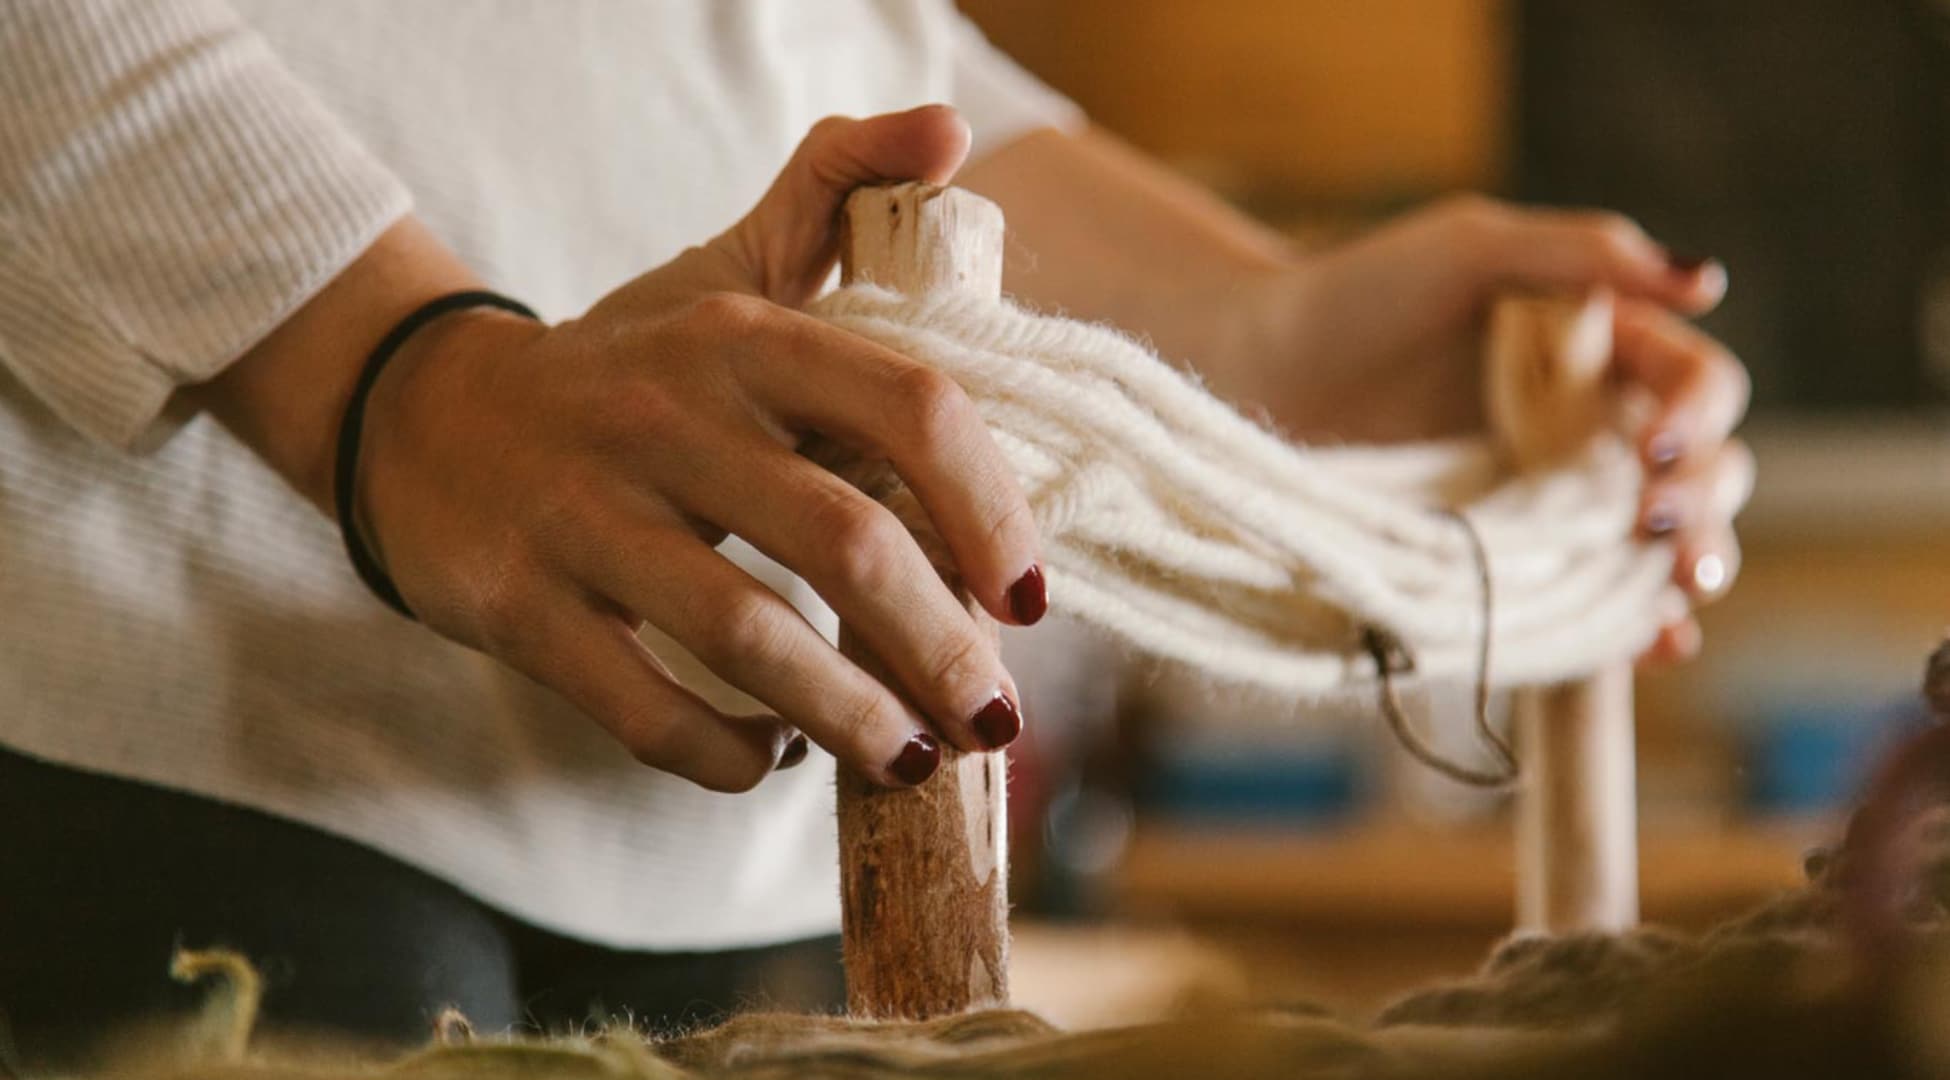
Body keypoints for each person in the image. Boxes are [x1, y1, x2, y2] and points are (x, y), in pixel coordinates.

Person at [0, 0, 1751, 1065]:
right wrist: (391, 374)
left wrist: (1279, 337)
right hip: (192, 742)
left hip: (761, 850)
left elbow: (838, 57)